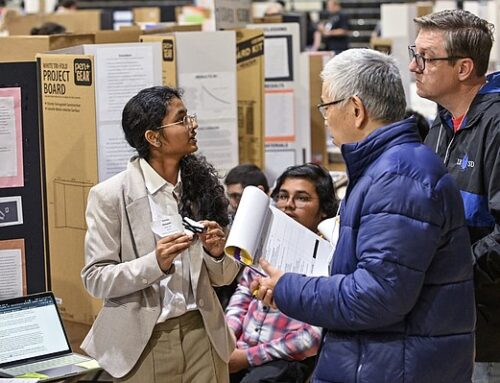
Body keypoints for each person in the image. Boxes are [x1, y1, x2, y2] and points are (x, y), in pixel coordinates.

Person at [252, 49, 476, 382]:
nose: (325, 117)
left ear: (356, 110)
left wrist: (289, 288)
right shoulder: (390, 168)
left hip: (392, 367)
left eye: (326, 106)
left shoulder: (398, 178)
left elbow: (376, 296)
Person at [81, 86, 240, 383]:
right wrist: (156, 263)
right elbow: (96, 278)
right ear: (153, 138)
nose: (192, 125)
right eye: (181, 120)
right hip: (142, 342)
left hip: (203, 334)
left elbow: (224, 277)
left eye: (188, 116)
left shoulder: (200, 188)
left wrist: (216, 253)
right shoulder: (109, 196)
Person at [410, 10, 500, 382]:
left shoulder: (495, 125)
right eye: (415, 54)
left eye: (426, 58)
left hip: (489, 333)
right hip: (449, 321)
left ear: (463, 68)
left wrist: (450, 273)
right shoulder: (443, 123)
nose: (415, 67)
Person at [225, 163, 338, 383]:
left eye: (302, 198)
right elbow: (243, 294)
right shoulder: (264, 243)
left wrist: (247, 358)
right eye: (283, 196)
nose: (288, 205)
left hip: (286, 360)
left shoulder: (328, 259)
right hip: (240, 350)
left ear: (323, 209)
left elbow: (313, 336)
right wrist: (229, 335)